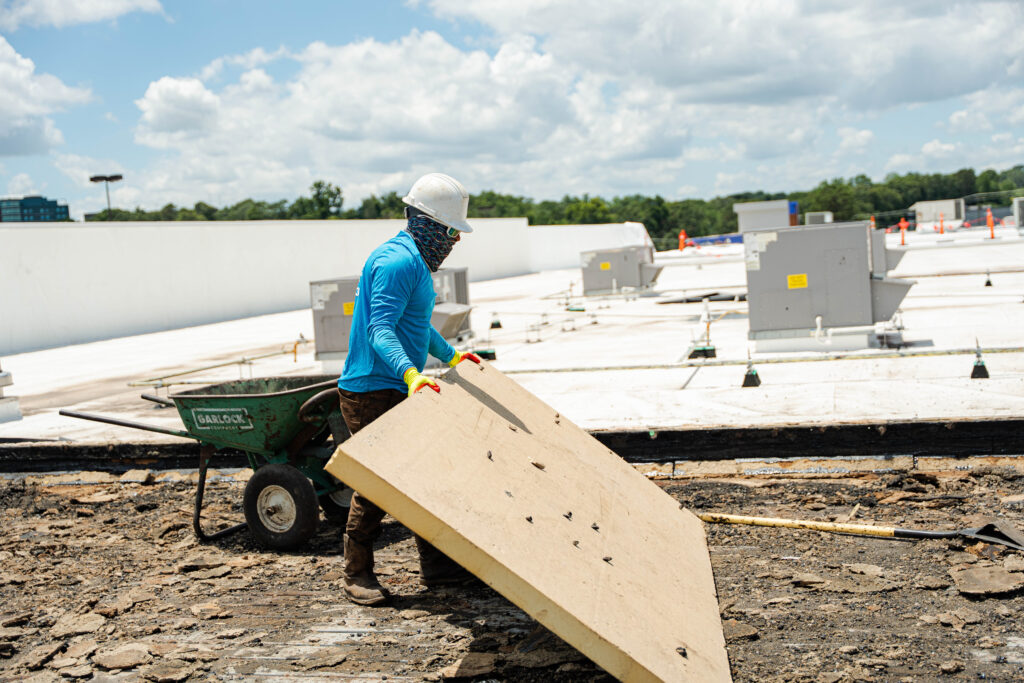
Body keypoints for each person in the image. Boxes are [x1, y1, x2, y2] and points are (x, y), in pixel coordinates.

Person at [337, 172, 481, 606]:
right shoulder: (398, 263)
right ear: (429, 224)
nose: (455, 239)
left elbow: (415, 328)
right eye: (451, 230)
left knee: (426, 473)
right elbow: (380, 330)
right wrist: (410, 374)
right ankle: (355, 573)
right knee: (380, 484)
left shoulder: (414, 261)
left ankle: (439, 569)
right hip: (370, 391)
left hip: (397, 384)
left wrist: (450, 356)